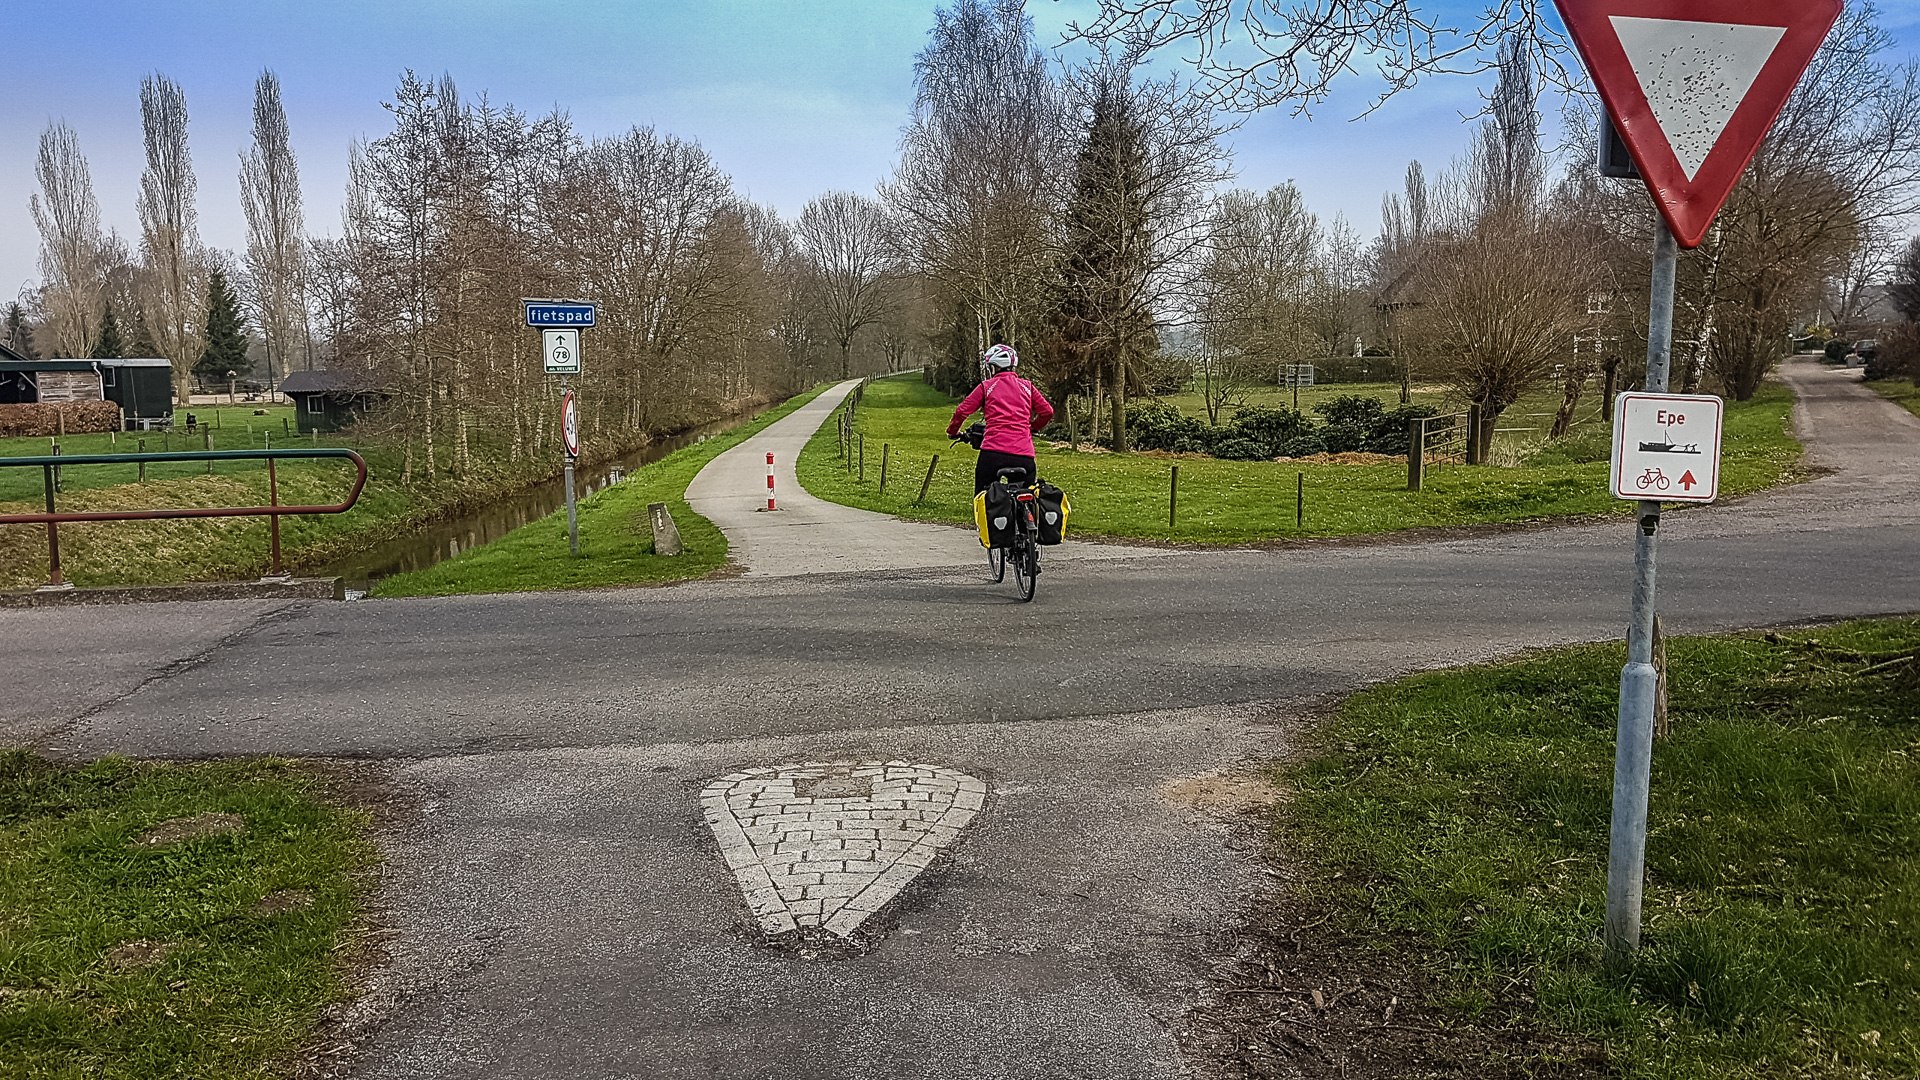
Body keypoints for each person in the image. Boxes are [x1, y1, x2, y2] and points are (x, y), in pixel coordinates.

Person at [946, 343, 1055, 493]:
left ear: (994, 367)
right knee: (1028, 497)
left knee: (983, 496)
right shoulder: (1027, 387)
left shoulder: (986, 387)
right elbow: (1047, 411)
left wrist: (953, 431)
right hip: (1023, 454)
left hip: (993, 452)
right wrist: (1033, 427)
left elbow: (962, 411)